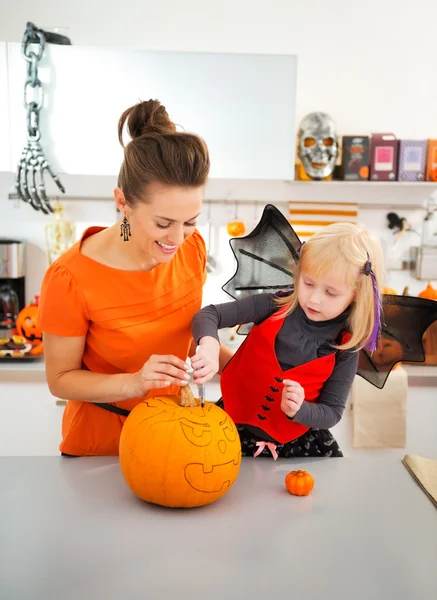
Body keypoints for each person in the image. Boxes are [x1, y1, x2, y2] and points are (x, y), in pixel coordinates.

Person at [37, 99, 232, 457]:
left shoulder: (193, 250)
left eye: (190, 221)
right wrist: (134, 382)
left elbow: (180, 337)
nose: (177, 239)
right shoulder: (70, 278)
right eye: (162, 223)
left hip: (173, 438)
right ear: (123, 202)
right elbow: (59, 380)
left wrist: (233, 363)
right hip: (102, 449)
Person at [191, 222, 384, 459]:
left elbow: (332, 413)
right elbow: (209, 314)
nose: (314, 299)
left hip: (298, 447)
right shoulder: (272, 306)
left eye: (331, 293)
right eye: (308, 283)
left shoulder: (346, 345)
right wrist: (209, 344)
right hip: (231, 429)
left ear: (356, 294)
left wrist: (299, 410)